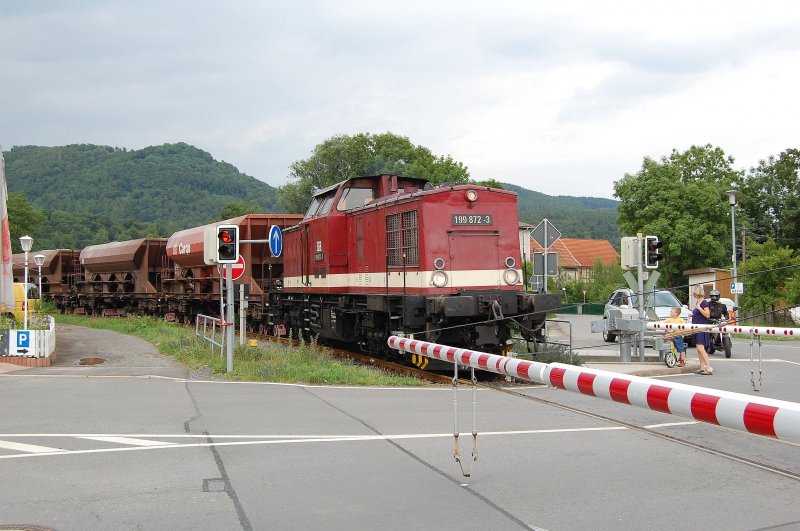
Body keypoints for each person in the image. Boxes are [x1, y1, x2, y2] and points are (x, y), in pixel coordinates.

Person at [691, 288, 713, 375]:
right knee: (698, 348)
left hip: (701, 327)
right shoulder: (697, 302)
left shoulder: (704, 302)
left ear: (697, 293)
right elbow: (699, 314)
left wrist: (699, 308)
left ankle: (708, 367)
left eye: (694, 293)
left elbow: (707, 315)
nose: (693, 294)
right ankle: (702, 367)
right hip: (696, 327)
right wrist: (693, 314)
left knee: (701, 348)